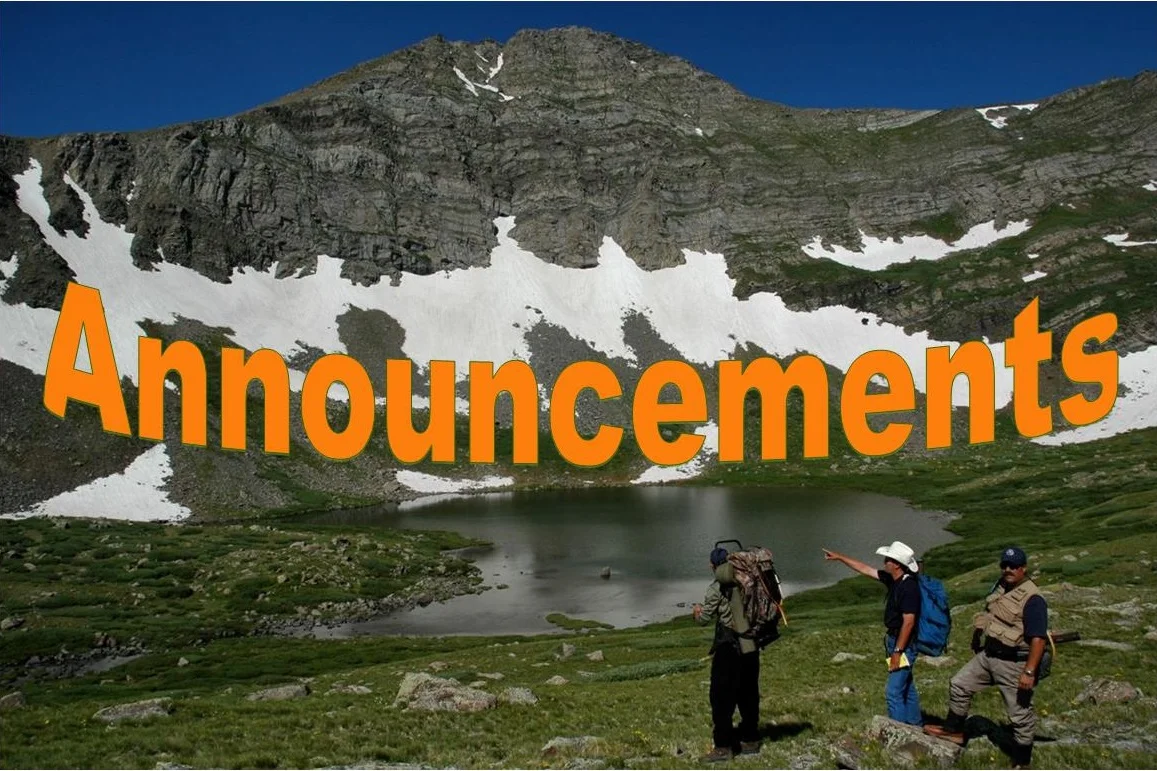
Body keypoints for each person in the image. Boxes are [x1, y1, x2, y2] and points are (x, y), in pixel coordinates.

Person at [924, 547, 1048, 769]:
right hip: (988, 655)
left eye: (1013, 566)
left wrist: (1029, 672)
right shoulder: (1001, 586)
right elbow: (989, 614)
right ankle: (954, 731)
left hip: (1014, 663)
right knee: (959, 684)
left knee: (1019, 714)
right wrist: (977, 636)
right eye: (1005, 565)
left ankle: (1022, 761)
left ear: (1023, 568)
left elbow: (1038, 639)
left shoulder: (1033, 599)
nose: (1008, 570)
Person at [823, 541, 923, 726]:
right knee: (906, 686)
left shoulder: (908, 587)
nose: (884, 562)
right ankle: (915, 725)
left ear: (897, 565)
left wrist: (898, 651)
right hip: (895, 641)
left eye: (888, 559)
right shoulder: (894, 579)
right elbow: (865, 569)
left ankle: (899, 731)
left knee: (893, 692)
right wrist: (840, 557)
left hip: (903, 645)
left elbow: (909, 622)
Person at [692, 546, 761, 762]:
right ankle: (750, 739)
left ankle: (723, 746)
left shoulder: (716, 588)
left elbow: (704, 620)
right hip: (751, 644)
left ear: (712, 565)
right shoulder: (750, 580)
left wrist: (697, 612)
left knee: (721, 696)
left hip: (728, 646)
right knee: (749, 691)